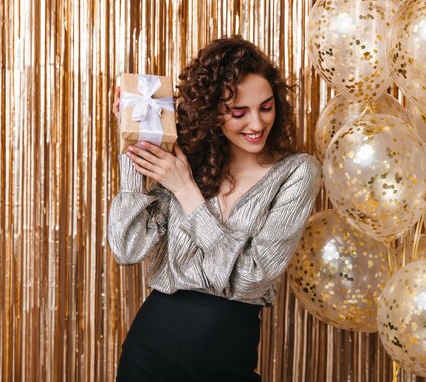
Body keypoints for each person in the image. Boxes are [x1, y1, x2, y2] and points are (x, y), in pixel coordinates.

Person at [108, 35, 322, 382]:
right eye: (239, 112)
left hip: (226, 355)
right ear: (214, 114)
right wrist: (136, 144)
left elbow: (251, 278)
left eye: (266, 107)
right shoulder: (187, 160)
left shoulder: (297, 172)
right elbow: (127, 248)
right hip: (150, 351)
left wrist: (187, 191)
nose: (256, 124)